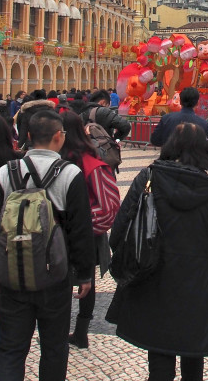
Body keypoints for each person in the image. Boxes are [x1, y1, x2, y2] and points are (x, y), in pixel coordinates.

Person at [0, 108, 95, 381]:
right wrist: (84, 273)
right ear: (59, 138)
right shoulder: (69, 173)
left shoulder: (6, 172)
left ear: (28, 136)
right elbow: (80, 228)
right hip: (54, 272)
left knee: (12, 348)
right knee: (54, 346)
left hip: (11, 270)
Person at [107, 122, 208, 380]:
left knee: (159, 355)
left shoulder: (148, 178)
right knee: (193, 358)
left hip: (153, 279)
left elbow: (120, 230)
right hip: (198, 286)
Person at [59, 109, 118, 348]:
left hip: (76, 233)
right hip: (83, 234)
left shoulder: (86, 160)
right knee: (86, 280)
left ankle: (77, 331)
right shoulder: (85, 157)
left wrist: (78, 225)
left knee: (70, 279)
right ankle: (75, 331)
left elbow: (108, 206)